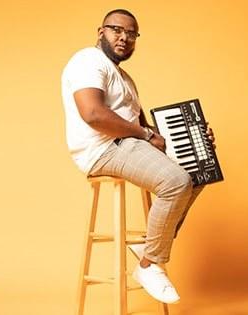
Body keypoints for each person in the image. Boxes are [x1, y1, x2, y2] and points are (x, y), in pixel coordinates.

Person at [61, 9, 215, 304]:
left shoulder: (125, 77)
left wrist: (195, 137)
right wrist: (145, 135)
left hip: (127, 143)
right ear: (100, 31)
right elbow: (93, 114)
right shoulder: (88, 60)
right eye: (116, 30)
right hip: (103, 148)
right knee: (176, 181)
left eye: (131, 34)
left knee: (199, 166)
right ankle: (150, 264)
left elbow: (143, 129)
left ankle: (148, 247)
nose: (124, 37)